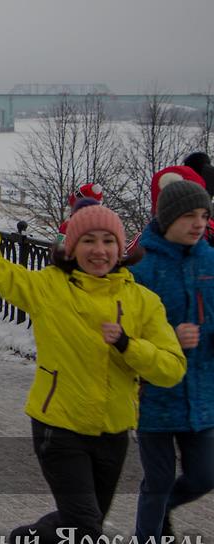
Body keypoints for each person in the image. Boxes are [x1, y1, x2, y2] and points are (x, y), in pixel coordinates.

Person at [0, 158, 187, 543]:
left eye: (107, 241)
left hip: (114, 430)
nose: (98, 250)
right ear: (72, 246)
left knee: (82, 525)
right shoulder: (48, 288)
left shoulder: (143, 301)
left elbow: (170, 368)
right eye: (88, 241)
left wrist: (127, 345)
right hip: (59, 424)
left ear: (120, 248)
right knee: (84, 525)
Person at [128, 180, 214, 540]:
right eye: (189, 216)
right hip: (155, 397)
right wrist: (169, 338)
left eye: (204, 215)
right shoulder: (141, 267)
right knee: (158, 480)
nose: (199, 223)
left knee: (204, 476)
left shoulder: (209, 260)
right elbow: (125, 331)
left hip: (203, 394)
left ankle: (162, 512)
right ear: (167, 218)